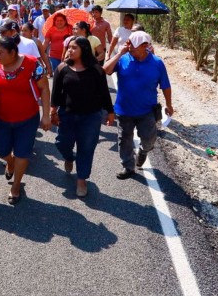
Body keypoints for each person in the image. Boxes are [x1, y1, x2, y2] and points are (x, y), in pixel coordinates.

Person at [0, 36, 52, 204]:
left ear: (13, 52)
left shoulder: (32, 64)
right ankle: (10, 162)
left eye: (1, 52)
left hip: (27, 119)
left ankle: (15, 186)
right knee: (0, 151)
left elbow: (44, 88)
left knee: (22, 153)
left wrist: (46, 115)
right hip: (2, 120)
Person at [103, 31, 174, 179]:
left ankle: (143, 151)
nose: (129, 47)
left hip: (147, 111)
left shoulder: (157, 63)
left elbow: (165, 86)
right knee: (125, 139)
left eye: (133, 45)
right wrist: (119, 53)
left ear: (145, 46)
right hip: (124, 110)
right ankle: (128, 166)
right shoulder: (123, 59)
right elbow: (105, 70)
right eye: (128, 44)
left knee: (149, 139)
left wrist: (169, 104)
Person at [51, 36, 115, 197]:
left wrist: (110, 112)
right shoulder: (62, 68)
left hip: (91, 117)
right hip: (67, 115)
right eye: (69, 47)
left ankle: (81, 180)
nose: (70, 50)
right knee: (61, 143)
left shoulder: (96, 70)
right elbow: (56, 93)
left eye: (74, 48)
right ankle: (69, 157)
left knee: (86, 148)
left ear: (84, 50)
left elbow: (104, 93)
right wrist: (53, 112)